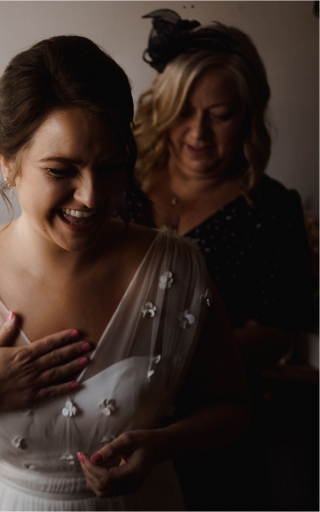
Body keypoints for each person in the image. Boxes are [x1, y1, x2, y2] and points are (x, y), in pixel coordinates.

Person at [0, 35, 250, 511]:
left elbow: (233, 408)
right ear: (7, 163)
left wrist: (162, 445)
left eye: (110, 167)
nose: (91, 196)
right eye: (61, 170)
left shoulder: (176, 268)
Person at [123, 10, 316, 510]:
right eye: (184, 110)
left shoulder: (272, 208)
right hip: (114, 415)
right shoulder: (119, 182)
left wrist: (176, 360)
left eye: (221, 114)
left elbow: (277, 331)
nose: (197, 133)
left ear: (249, 114)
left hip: (218, 426)